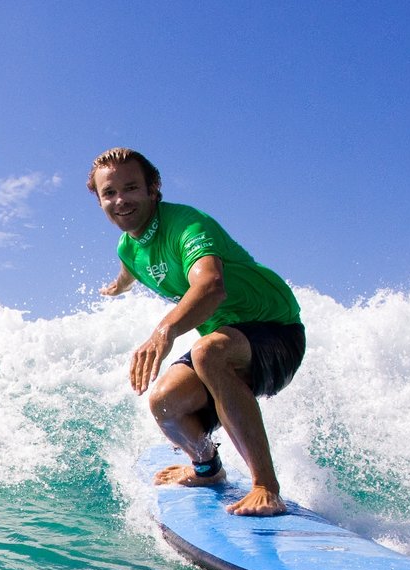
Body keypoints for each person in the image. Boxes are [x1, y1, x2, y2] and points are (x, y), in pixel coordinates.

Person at [91, 147, 304, 516]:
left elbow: (211, 287)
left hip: (276, 330)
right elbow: (131, 266)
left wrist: (165, 330)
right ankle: (207, 468)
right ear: (99, 200)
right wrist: (118, 285)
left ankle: (266, 486)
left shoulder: (188, 224)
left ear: (153, 189)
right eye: (109, 193)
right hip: (229, 340)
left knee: (208, 352)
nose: (120, 200)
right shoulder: (128, 248)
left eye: (131, 188)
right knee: (164, 404)